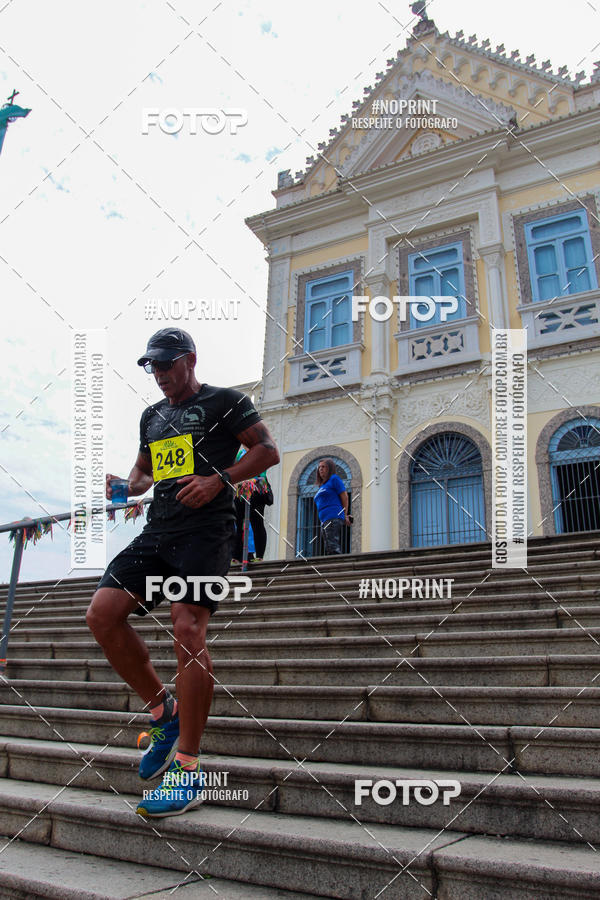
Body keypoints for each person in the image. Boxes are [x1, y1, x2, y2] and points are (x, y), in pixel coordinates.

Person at [86, 328, 279, 818]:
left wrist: (220, 480)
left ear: (190, 360)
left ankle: (188, 769)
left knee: (187, 629)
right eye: (153, 368)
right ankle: (162, 711)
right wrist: (126, 485)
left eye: (168, 366)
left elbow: (267, 451)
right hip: (158, 532)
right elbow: (145, 472)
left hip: (208, 532)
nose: (161, 376)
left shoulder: (228, 402)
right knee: (102, 615)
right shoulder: (152, 416)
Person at [232, 446, 271, 563]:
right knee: (237, 523)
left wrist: (252, 481)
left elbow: (263, 473)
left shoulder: (260, 449)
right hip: (240, 490)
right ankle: (236, 556)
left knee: (257, 522)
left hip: (257, 489)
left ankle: (259, 556)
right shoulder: (240, 453)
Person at [314, 458, 350, 555]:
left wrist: (344, 514)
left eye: (323, 467)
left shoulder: (334, 479)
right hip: (324, 520)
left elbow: (344, 496)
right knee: (328, 546)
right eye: (319, 467)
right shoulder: (322, 486)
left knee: (333, 546)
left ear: (330, 468)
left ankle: (338, 566)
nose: (320, 469)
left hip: (333, 517)